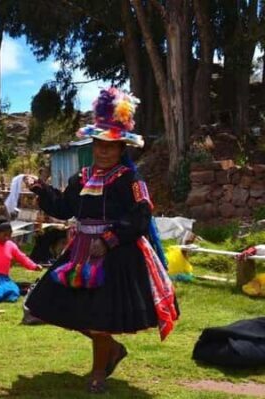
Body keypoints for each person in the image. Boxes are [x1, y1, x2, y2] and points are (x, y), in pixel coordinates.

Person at [23, 88, 179, 394]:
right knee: (51, 304)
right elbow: (65, 208)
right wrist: (42, 190)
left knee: (100, 317)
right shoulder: (80, 179)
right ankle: (113, 350)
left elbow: (141, 216)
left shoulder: (130, 181)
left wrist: (109, 239)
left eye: (111, 146)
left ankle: (98, 371)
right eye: (99, 145)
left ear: (122, 148)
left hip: (116, 256)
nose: (104, 151)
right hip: (80, 253)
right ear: (92, 145)